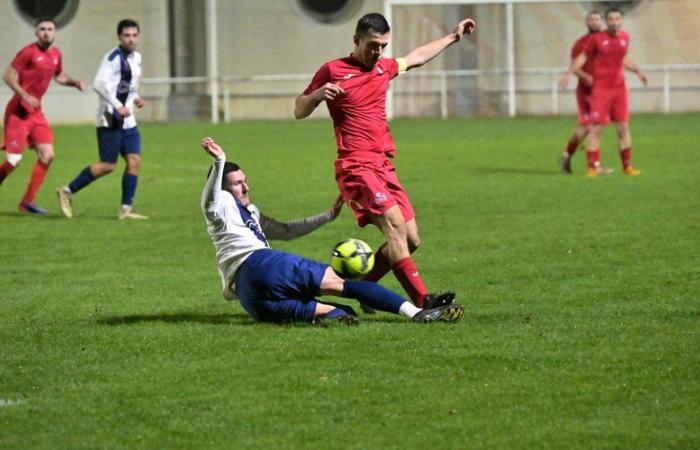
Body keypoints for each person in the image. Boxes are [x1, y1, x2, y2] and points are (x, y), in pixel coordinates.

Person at [294, 13, 475, 309]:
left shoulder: (384, 68)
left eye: (383, 46)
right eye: (373, 45)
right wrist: (317, 94)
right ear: (356, 40)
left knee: (412, 239)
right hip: (355, 166)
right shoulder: (332, 70)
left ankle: (365, 289)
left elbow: (416, 57)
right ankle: (422, 301)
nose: (378, 52)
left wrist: (453, 37)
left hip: (383, 166)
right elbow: (299, 110)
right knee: (395, 228)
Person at [200, 136, 464, 325]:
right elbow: (209, 201)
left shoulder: (251, 212)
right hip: (265, 265)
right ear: (223, 187)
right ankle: (417, 313)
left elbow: (287, 230)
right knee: (346, 286)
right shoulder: (221, 204)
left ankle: (336, 316)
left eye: (245, 182)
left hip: (252, 299)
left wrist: (326, 216)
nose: (245, 188)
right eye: (237, 184)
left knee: (338, 310)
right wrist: (220, 161)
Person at [57, 19, 147, 219]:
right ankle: (67, 191)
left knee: (134, 161)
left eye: (134, 35)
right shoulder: (113, 57)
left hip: (128, 120)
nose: (131, 39)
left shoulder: (137, 57)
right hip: (109, 117)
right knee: (108, 165)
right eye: (127, 35)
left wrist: (135, 98)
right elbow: (98, 84)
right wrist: (118, 106)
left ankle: (125, 209)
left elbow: (128, 84)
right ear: (119, 37)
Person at [0, 18, 85, 215]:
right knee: (13, 160)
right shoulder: (28, 52)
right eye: (42, 29)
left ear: (55, 33)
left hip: (36, 114)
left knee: (48, 155)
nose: (46, 33)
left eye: (50, 29)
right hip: (18, 111)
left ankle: (27, 202)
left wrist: (74, 83)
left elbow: (59, 76)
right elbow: (7, 75)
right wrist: (25, 95)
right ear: (36, 33)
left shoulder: (55, 54)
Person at [560, 8, 648, 177]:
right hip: (597, 89)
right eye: (611, 19)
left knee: (622, 127)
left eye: (617, 19)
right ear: (606, 21)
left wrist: (638, 71)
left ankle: (627, 166)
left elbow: (622, 58)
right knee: (593, 127)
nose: (614, 22)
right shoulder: (593, 40)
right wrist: (569, 74)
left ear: (621, 20)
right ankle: (589, 166)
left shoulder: (624, 38)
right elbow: (581, 58)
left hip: (618, 89)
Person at [560, 10, 613, 176]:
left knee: (589, 127)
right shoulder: (580, 43)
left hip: (604, 89)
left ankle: (567, 155)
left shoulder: (607, 40)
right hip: (586, 90)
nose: (595, 22)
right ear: (587, 23)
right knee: (592, 126)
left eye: (597, 19)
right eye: (591, 19)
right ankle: (594, 165)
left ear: (601, 22)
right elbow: (575, 65)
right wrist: (585, 77)